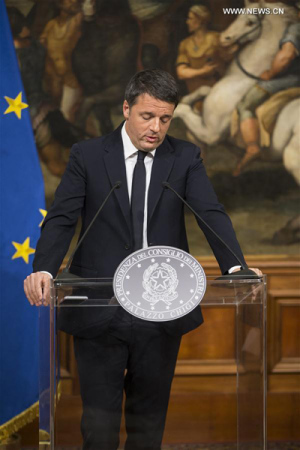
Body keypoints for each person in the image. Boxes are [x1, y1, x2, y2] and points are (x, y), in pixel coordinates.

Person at [24, 69, 262, 449]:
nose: (156, 128)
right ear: (126, 108)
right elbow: (63, 217)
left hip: (161, 307)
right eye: (147, 116)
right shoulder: (87, 155)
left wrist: (236, 267)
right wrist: (44, 268)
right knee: (98, 429)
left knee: (148, 428)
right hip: (99, 307)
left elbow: (210, 213)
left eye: (165, 119)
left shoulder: (184, 157)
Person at [234, 11, 300, 176]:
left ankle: (252, 147)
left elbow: (287, 55)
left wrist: (270, 73)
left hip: (293, 80)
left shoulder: (296, 28)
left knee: (245, 104)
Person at [176, 5, 234, 111]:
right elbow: (181, 73)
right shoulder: (185, 44)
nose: (187, 22)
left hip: (217, 90)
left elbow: (229, 59)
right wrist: (203, 71)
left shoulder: (215, 38)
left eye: (190, 18)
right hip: (196, 93)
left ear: (200, 20)